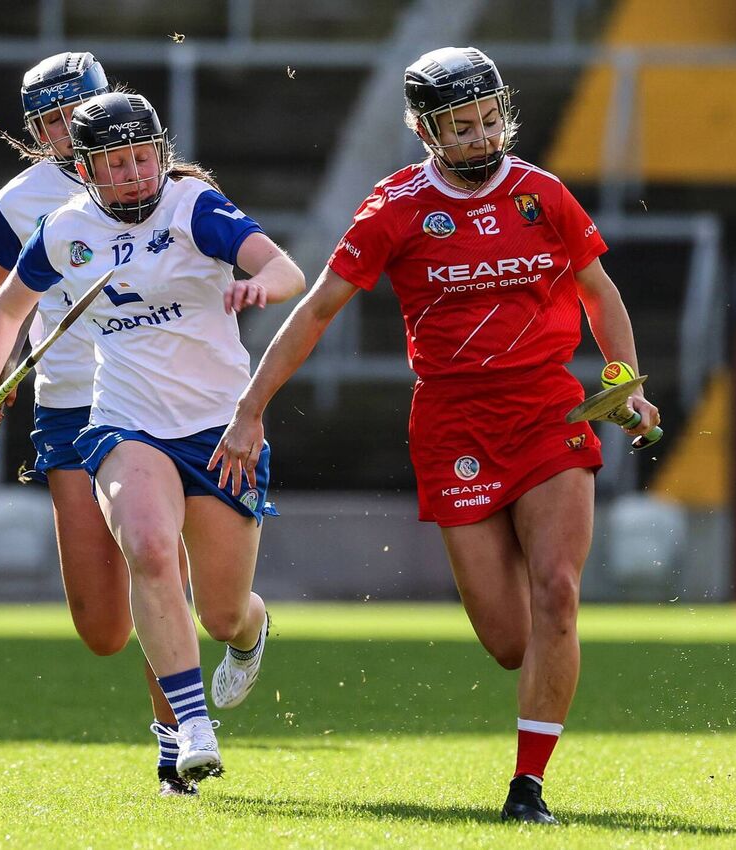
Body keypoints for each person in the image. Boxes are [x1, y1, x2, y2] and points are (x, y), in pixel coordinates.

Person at [209, 46, 661, 824]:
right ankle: (530, 659)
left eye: (491, 120)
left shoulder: (542, 195)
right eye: (463, 127)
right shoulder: (395, 209)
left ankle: (528, 789)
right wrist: (251, 409)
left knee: (558, 593)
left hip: (549, 411)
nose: (484, 137)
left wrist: (626, 380)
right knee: (511, 641)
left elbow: (599, 289)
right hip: (453, 421)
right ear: (426, 131)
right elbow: (317, 310)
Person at [0, 91, 305, 784]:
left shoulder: (193, 207)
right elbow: (4, 310)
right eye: (115, 163)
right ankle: (187, 728)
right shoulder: (64, 229)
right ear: (85, 168)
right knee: (148, 548)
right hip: (124, 422)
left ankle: (250, 632)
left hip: (217, 427)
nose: (135, 174)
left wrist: (258, 286)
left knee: (223, 612)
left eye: (144, 157)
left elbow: (287, 268)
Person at [0, 52, 195, 798]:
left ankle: (178, 740)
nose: (69, 134)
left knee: (154, 557)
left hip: (151, 401)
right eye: (51, 123)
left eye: (77, 114)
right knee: (102, 628)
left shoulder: (161, 181)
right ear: (36, 132)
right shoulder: (20, 201)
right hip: (68, 403)